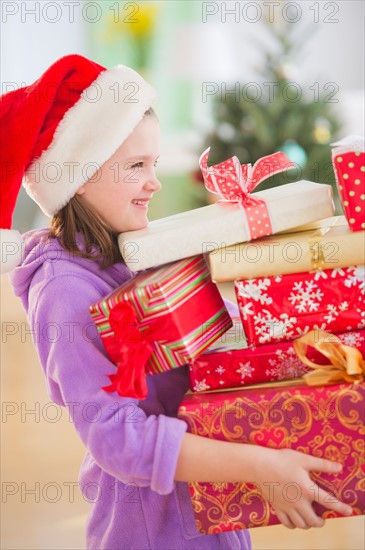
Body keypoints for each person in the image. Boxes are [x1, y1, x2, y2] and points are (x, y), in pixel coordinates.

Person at [1, 55, 352, 550]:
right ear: (78, 175)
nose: (154, 182)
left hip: (209, 512)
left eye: (154, 164)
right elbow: (116, 439)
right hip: (153, 532)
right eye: (135, 166)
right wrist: (261, 466)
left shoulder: (130, 255)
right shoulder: (64, 291)